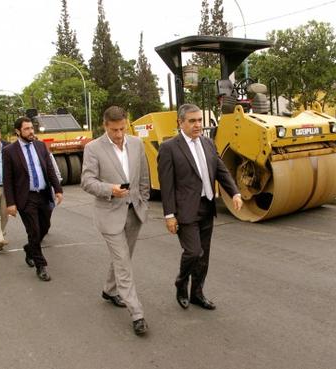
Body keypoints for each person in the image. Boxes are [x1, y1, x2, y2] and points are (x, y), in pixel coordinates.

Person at [157, 103, 243, 311]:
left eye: (199, 121)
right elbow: (166, 186)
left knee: (204, 256)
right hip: (185, 210)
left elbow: (220, 170)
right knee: (194, 252)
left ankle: (197, 293)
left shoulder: (208, 143)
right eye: (192, 121)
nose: (198, 125)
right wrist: (169, 215)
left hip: (207, 206)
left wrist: (235, 193)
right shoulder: (169, 148)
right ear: (180, 123)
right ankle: (181, 282)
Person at [80, 106, 150, 336]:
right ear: (105, 126)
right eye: (114, 130)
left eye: (122, 128)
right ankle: (137, 313)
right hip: (109, 214)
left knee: (124, 257)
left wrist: (144, 202)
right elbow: (87, 181)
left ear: (127, 123)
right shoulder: (93, 148)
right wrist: (109, 189)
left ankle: (109, 290)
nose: (119, 134)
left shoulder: (137, 144)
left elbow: (143, 178)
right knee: (123, 263)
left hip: (134, 212)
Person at [3, 117, 63, 281]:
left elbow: (49, 169)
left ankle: (29, 249)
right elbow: (7, 180)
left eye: (31, 128)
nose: (31, 132)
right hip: (25, 197)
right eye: (27, 129)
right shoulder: (9, 151)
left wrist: (58, 189)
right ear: (18, 131)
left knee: (45, 226)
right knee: (34, 230)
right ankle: (40, 265)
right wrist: (10, 203)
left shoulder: (40, 145)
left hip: (43, 194)